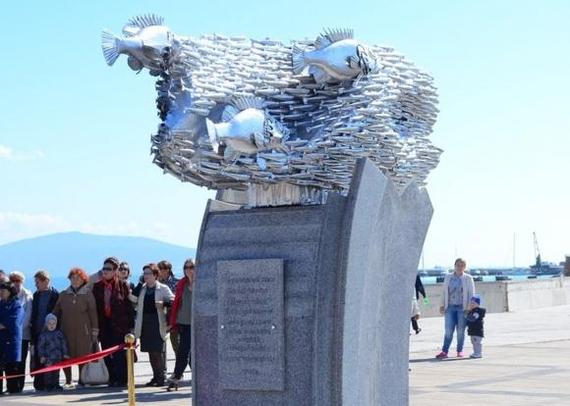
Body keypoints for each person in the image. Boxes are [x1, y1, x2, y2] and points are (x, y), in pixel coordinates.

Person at [53, 268, 99, 387]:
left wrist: (95, 331)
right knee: (66, 355)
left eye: (77, 278)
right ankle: (68, 380)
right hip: (66, 331)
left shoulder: (88, 294)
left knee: (83, 355)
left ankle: (82, 379)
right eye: (72, 277)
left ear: (83, 279)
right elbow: (56, 312)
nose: (75, 280)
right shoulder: (63, 294)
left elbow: (93, 314)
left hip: (84, 332)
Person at [92, 257, 134, 387]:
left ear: (115, 271)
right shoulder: (97, 286)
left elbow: (129, 307)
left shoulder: (123, 285)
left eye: (108, 269)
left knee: (119, 355)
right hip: (104, 325)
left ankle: (122, 379)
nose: (105, 271)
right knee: (106, 353)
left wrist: (131, 327)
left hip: (120, 326)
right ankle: (112, 378)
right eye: (103, 268)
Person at [131, 263, 174, 387]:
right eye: (144, 273)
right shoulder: (142, 288)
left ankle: (161, 377)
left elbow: (173, 300)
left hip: (157, 322)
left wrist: (163, 303)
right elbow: (133, 299)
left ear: (155, 275)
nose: (146, 276)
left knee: (157, 351)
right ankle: (155, 376)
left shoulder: (163, 288)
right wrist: (139, 284)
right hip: (145, 323)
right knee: (150, 352)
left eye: (148, 273)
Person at [435, 258, 475, 359]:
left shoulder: (468, 278)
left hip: (463, 308)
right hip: (450, 307)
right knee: (448, 330)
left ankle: (459, 350)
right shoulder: (448, 277)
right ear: (454, 266)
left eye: (462, 265)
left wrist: (469, 308)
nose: (459, 267)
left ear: (464, 267)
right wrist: (441, 305)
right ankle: (444, 351)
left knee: (461, 331)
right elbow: (444, 292)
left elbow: (471, 294)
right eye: (458, 265)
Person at [167, 259, 195, 391]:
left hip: (197, 323)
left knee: (188, 352)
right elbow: (177, 302)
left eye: (192, 267)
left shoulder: (201, 284)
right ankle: (177, 376)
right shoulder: (182, 284)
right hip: (183, 322)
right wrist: (173, 321)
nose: (189, 270)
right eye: (186, 267)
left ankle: (177, 376)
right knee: (184, 351)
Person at [30, 270, 59, 391]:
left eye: (38, 282)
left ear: (46, 281)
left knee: (51, 358)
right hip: (37, 331)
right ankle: (39, 383)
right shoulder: (36, 295)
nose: (36, 285)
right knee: (38, 357)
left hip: (51, 332)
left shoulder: (55, 294)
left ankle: (52, 383)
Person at [9, 272, 33, 393]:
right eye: (13, 280)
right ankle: (11, 386)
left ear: (22, 282)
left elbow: (28, 316)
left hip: (23, 335)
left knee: (21, 361)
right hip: (10, 335)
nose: (15, 283)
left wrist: (18, 329)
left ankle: (20, 385)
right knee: (11, 361)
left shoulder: (28, 296)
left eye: (18, 281)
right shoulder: (8, 295)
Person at [0, 282, 25, 395]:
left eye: (3, 290)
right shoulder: (1, 304)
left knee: (11, 366)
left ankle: (13, 389)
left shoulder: (16, 304)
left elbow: (15, 321)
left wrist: (3, 324)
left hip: (11, 339)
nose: (1, 292)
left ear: (10, 291)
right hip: (1, 339)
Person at [37, 313, 69, 391]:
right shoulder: (43, 335)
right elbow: (40, 347)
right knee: (48, 373)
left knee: (56, 372)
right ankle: (48, 385)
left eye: (53, 323)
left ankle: (56, 384)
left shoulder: (59, 334)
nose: (52, 325)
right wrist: (42, 356)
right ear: (46, 324)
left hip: (58, 357)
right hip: (48, 358)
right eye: (50, 323)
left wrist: (65, 353)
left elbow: (63, 344)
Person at [158, 260, 180, 359]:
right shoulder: (156, 283)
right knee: (160, 344)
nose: (162, 271)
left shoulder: (176, 282)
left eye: (164, 268)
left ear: (169, 270)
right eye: (160, 269)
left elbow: (177, 299)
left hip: (174, 316)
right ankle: (163, 369)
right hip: (160, 316)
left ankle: (179, 368)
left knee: (176, 342)